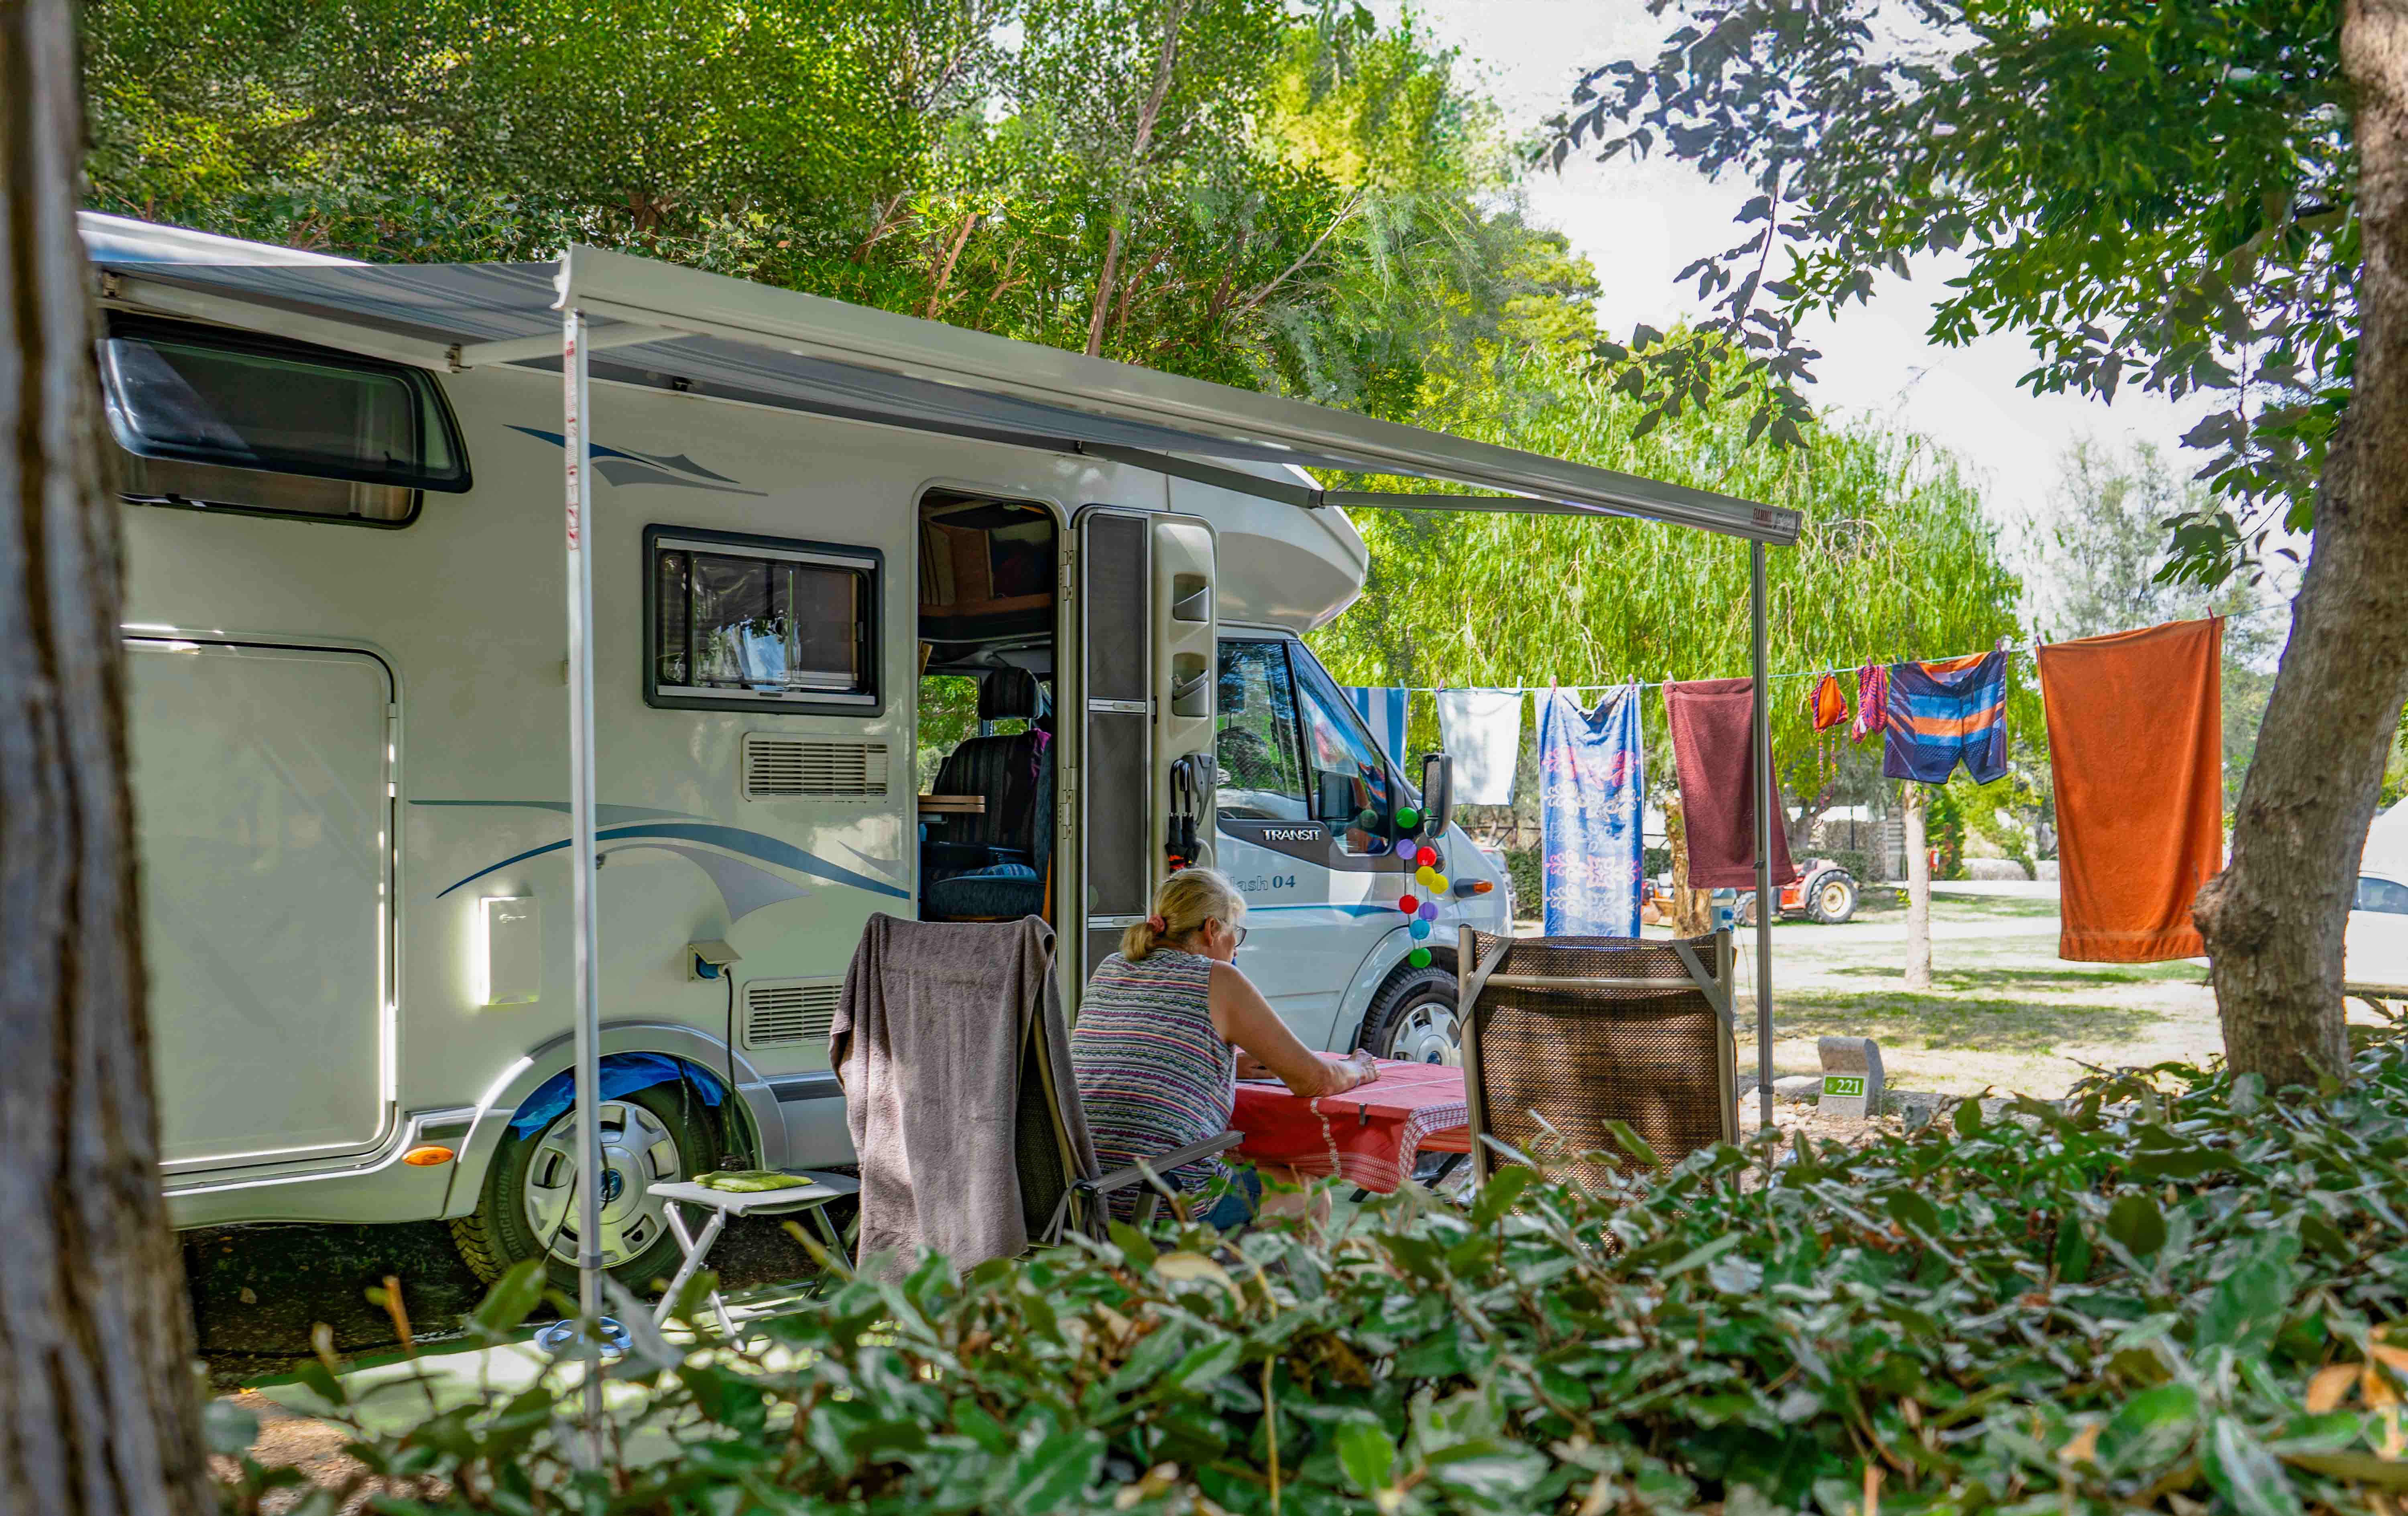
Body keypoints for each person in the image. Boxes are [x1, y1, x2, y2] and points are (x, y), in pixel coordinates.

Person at [1072, 867, 1378, 1227]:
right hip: (1156, 1197)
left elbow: (1137, 1051)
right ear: (1211, 929)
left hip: (1082, 1196)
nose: (1236, 945)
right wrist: (1359, 1067)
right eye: (1236, 932)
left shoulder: (1111, 967)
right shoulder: (1218, 977)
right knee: (1310, 1195)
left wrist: (1226, 1062)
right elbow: (1316, 1080)